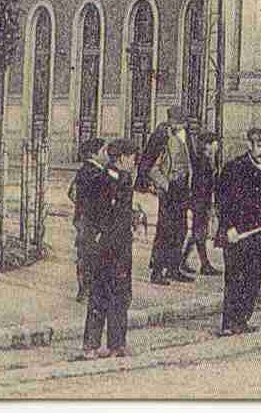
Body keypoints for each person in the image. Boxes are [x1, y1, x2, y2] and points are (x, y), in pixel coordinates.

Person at [78, 138, 139, 360]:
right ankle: (111, 345)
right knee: (113, 296)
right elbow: (101, 213)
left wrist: (132, 217)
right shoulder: (109, 180)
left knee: (105, 295)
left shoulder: (115, 177)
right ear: (122, 158)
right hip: (112, 248)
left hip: (109, 247)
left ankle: (99, 345)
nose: (134, 162)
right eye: (132, 158)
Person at [216, 128, 261, 336]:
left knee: (253, 279)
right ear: (250, 145)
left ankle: (242, 320)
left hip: (255, 234)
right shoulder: (234, 168)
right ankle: (228, 323)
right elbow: (223, 201)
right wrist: (228, 227)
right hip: (236, 233)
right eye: (260, 147)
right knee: (235, 277)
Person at [143, 106, 195, 284]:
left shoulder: (185, 136)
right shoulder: (162, 136)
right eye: (179, 122)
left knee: (180, 230)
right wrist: (166, 186)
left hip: (182, 189)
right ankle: (157, 271)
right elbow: (152, 168)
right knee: (165, 230)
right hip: (169, 189)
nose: (181, 125)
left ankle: (173, 268)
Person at [69, 138, 109, 301]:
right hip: (92, 221)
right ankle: (86, 291)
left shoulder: (83, 170)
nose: (106, 155)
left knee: (84, 255)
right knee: (90, 256)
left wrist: (80, 206)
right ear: (94, 154)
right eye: (103, 151)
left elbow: (71, 192)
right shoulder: (96, 173)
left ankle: (84, 289)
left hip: (82, 219)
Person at [182, 131, 222, 276]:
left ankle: (182, 260)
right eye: (215, 143)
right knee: (200, 233)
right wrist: (209, 205)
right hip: (200, 201)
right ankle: (204, 264)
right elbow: (202, 186)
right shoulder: (203, 161)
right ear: (208, 145)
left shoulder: (208, 160)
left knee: (197, 233)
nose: (217, 146)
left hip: (201, 201)